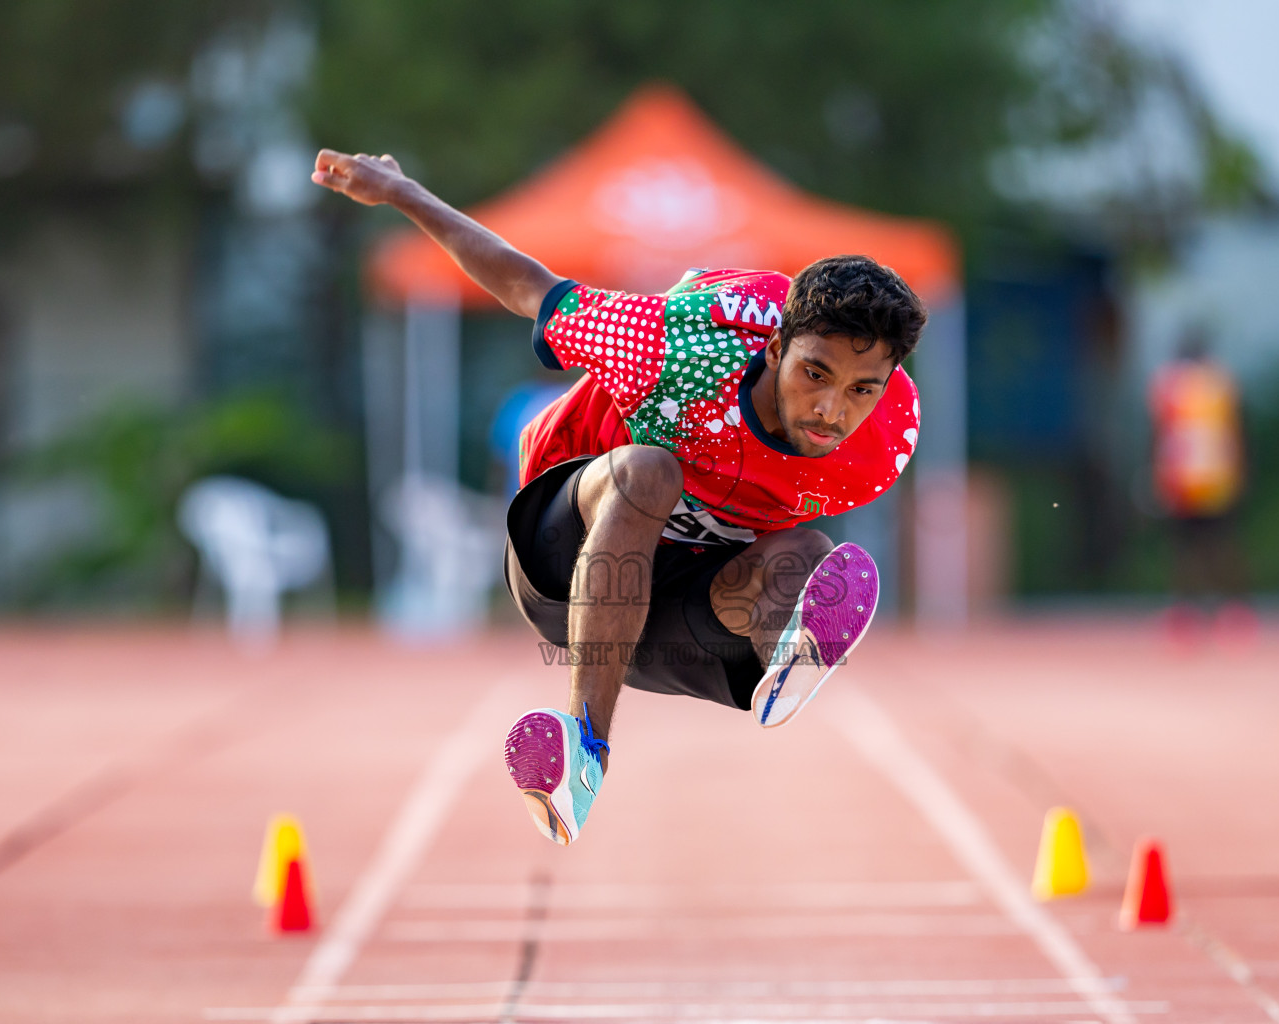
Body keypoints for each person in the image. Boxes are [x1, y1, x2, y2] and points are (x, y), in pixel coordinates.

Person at [312, 149, 926, 845]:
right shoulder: (678, 344)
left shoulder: (881, 445)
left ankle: (780, 651)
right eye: (814, 373)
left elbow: (832, 453)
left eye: (859, 390)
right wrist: (400, 191)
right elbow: (526, 286)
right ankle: (583, 751)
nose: (829, 410)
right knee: (649, 472)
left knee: (811, 553)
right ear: (774, 344)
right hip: (566, 565)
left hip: (672, 626)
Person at [1148, 331, 1253, 642]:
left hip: (1184, 479)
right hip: (1215, 476)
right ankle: (1229, 611)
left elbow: (1159, 436)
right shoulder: (1220, 382)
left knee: (1187, 550)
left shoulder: (1167, 384)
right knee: (1219, 547)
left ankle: (1189, 613)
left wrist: (1157, 473)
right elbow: (1239, 431)